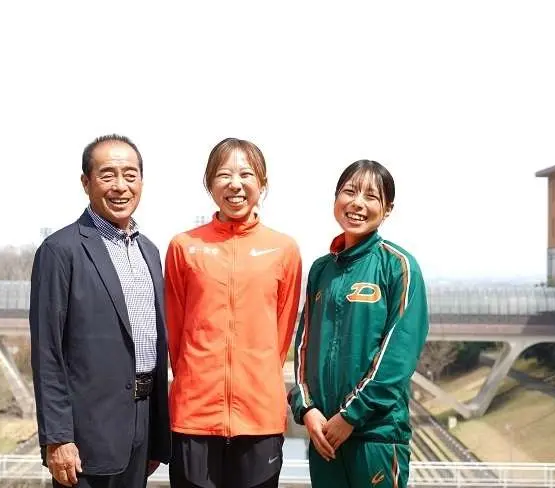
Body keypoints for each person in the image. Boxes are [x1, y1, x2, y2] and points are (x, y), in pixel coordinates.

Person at [29, 134, 171, 488]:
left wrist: (155, 433)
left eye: (130, 175)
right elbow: (47, 352)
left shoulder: (150, 252)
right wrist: (57, 437)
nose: (120, 186)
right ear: (86, 182)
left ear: (141, 182)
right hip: (85, 436)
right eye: (108, 175)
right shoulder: (60, 251)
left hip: (141, 427)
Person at [164, 137, 303, 488]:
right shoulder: (184, 247)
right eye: (224, 174)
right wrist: (195, 381)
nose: (235, 184)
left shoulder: (283, 249)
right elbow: (175, 332)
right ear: (209, 183)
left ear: (263, 183)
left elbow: (281, 334)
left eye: (246, 174)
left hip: (259, 417)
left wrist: (256, 380)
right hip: (194, 415)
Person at [288, 160, 429, 488]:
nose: (357, 203)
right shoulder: (321, 270)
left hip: (376, 437)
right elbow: (304, 347)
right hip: (324, 437)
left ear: (388, 209)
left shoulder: (399, 267)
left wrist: (351, 415)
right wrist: (307, 409)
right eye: (350, 192)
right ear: (336, 198)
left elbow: (398, 357)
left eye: (371, 196)